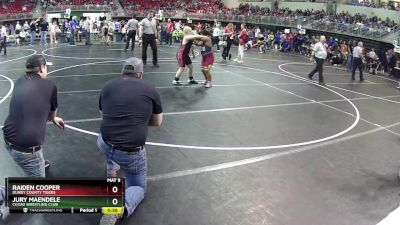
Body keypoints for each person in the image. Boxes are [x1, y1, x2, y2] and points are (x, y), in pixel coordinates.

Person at [97, 57, 163, 225]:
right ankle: (117, 209)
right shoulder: (150, 89)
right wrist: (138, 120)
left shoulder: (107, 86)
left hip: (104, 143)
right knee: (139, 188)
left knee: (111, 134)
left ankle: (111, 167)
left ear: (122, 72)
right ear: (141, 74)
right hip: (130, 153)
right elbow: (157, 122)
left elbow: (104, 115)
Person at [2, 55, 65, 178]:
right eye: (46, 67)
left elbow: (28, 105)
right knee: (38, 189)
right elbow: (51, 115)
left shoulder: (20, 80)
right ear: (42, 68)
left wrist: (52, 118)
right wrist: (53, 118)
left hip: (7, 139)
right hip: (26, 151)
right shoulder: (50, 86)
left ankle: (38, 163)